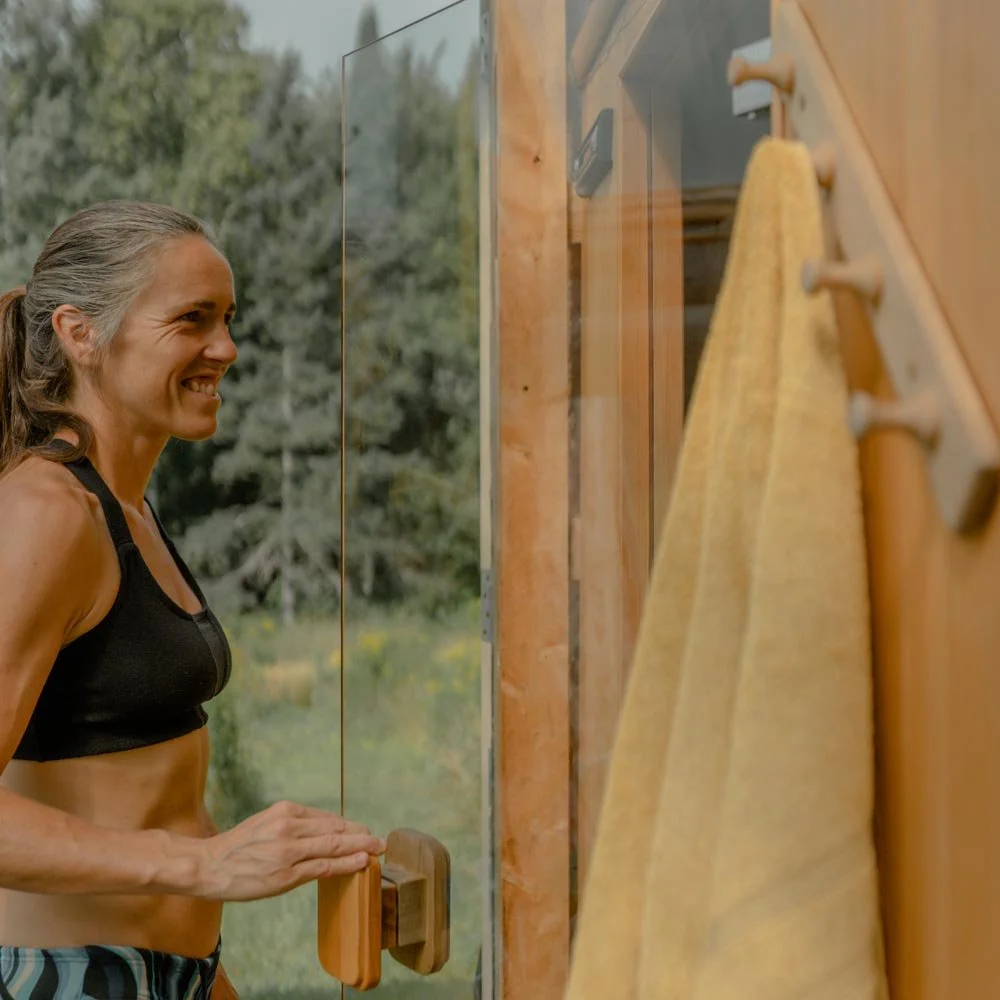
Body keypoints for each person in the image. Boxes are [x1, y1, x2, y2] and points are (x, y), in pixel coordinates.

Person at [0, 201, 384, 999]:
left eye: (228, 318)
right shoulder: (47, 514)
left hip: (169, 976)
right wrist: (206, 865)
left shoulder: (127, 506)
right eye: (192, 319)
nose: (227, 348)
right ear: (81, 334)